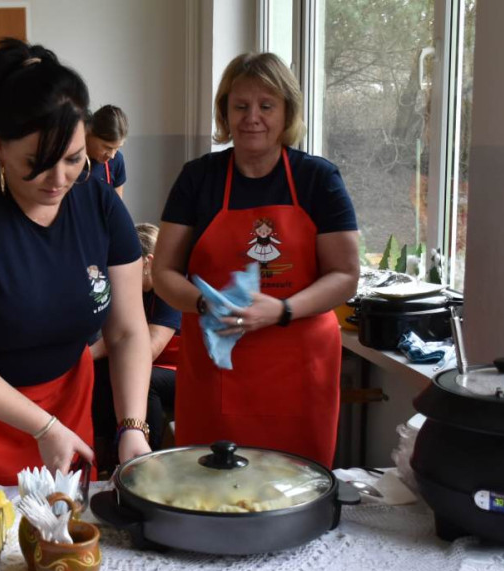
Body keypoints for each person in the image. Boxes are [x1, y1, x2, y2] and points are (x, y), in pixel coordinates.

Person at [0, 38, 152, 490]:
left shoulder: (100, 204)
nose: (59, 180)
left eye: (74, 159)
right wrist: (41, 426)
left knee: (61, 545)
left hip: (64, 408)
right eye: (36, 165)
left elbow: (127, 330)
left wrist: (132, 426)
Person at [153, 52, 360, 467]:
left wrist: (282, 309)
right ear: (225, 112)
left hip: (299, 371)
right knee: (211, 487)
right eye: (240, 106)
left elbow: (345, 275)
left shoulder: (318, 179)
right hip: (217, 369)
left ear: (287, 112)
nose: (252, 118)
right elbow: (162, 273)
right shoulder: (199, 178)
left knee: (296, 485)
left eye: (266, 106)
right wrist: (204, 303)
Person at [91, 223, 180, 473]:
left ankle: (149, 460)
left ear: (147, 262)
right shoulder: (136, 291)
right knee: (101, 372)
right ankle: (106, 455)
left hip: (180, 371)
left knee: (143, 379)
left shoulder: (168, 287)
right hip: (155, 366)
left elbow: (148, 349)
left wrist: (86, 355)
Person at [85, 105, 128, 197]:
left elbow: (116, 207)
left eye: (117, 148)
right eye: (108, 148)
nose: (112, 155)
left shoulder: (117, 161)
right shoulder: (72, 161)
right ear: (89, 133)